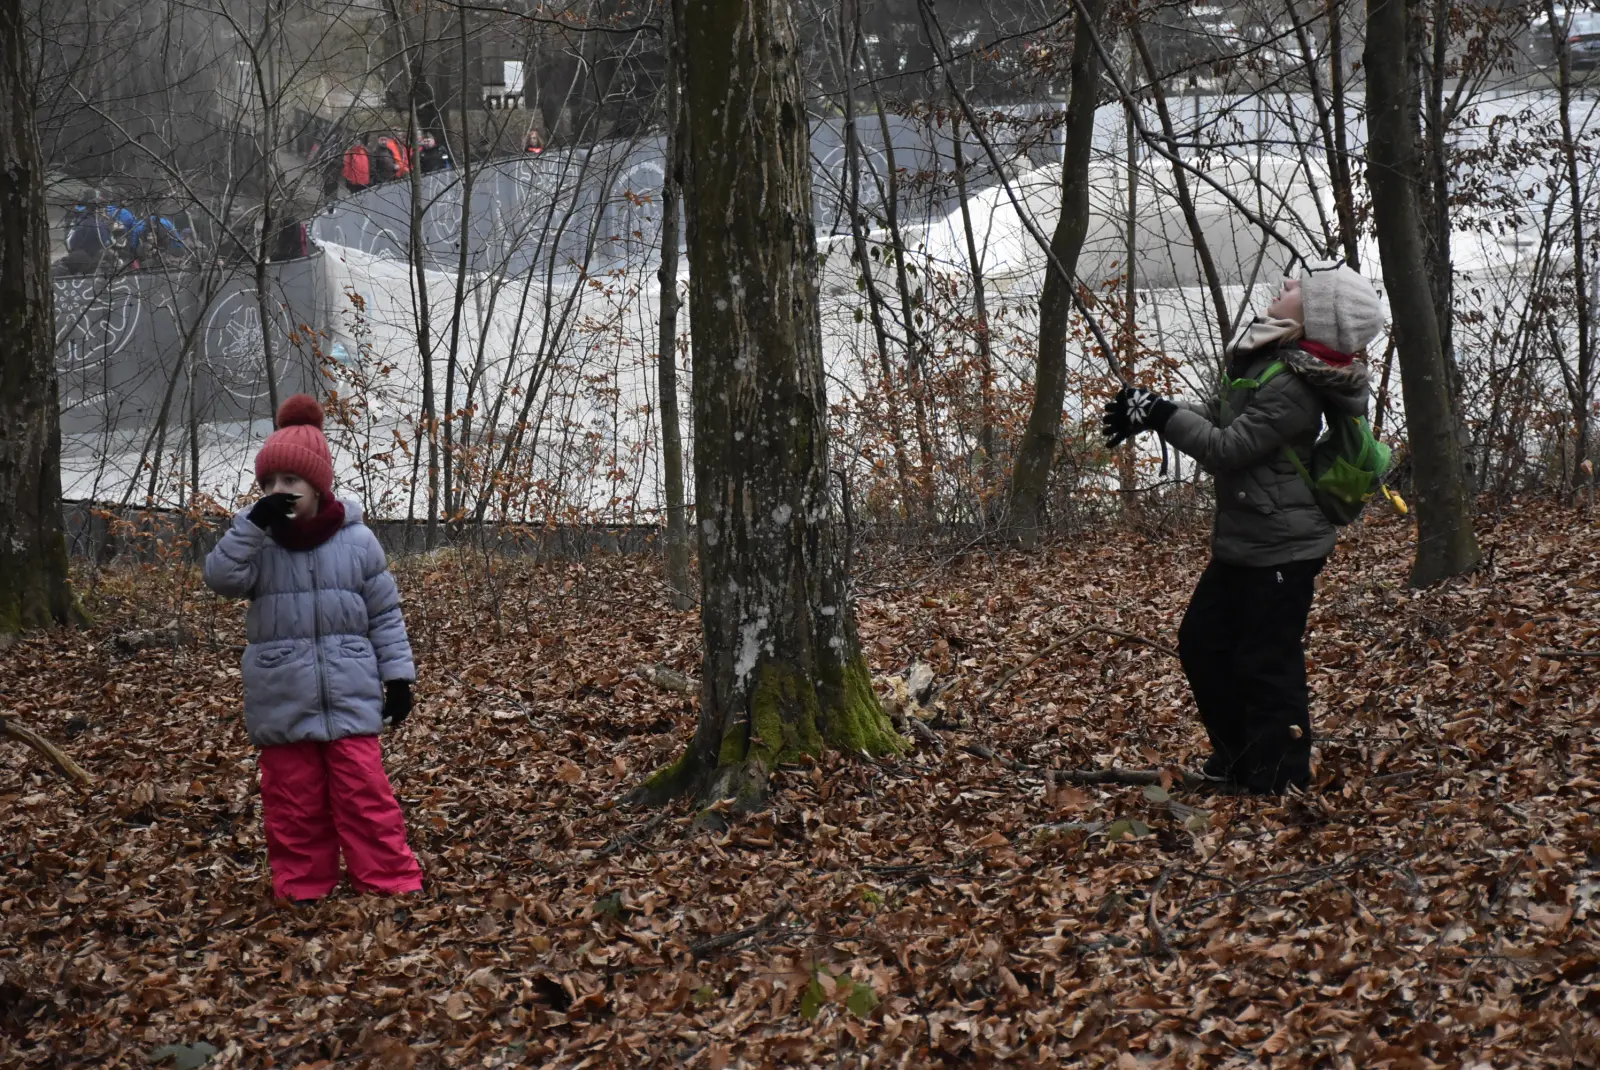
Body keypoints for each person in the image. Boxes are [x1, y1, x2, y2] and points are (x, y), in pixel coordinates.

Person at [1101, 260, 1383, 794]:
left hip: (1284, 546)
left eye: (1299, 286)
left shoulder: (1297, 387)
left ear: (1314, 315)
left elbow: (1226, 449)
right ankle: (1239, 757)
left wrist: (1161, 414)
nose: (1286, 284)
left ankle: (1280, 777)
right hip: (1250, 536)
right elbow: (1219, 417)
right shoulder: (1272, 361)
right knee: (1203, 643)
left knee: (1266, 660)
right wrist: (1152, 409)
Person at [203, 394, 423, 902]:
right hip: (283, 696)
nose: (279, 491)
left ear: (317, 486)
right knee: (292, 801)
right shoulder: (258, 544)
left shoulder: (358, 541)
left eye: (290, 482)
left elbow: (384, 614)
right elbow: (220, 577)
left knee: (366, 797)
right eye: (268, 484)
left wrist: (397, 677)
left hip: (350, 693)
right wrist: (251, 523)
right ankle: (304, 886)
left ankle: (389, 880)